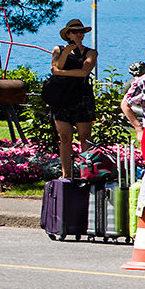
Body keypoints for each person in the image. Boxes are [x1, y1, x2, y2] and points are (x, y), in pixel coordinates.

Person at [48, 19, 97, 177]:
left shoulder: (90, 52)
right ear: (68, 34)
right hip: (62, 97)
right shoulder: (59, 49)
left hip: (82, 97)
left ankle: (87, 173)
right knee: (65, 137)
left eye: (81, 31)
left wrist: (60, 73)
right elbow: (57, 66)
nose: (79, 34)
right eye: (75, 32)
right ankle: (66, 174)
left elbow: (84, 71)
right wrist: (66, 54)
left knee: (85, 137)